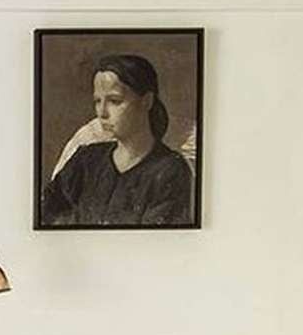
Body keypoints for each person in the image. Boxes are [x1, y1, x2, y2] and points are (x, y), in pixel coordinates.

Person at [42, 54, 193, 228]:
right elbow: (46, 214)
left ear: (146, 101)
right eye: (97, 101)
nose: (102, 113)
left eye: (114, 101)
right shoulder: (86, 159)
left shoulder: (170, 170)